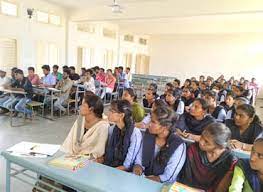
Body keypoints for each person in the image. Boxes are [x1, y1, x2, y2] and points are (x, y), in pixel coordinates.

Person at [132, 106, 186, 184]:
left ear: (165, 127)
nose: (149, 124)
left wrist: (146, 180)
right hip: (144, 179)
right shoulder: (148, 135)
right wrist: (138, 168)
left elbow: (169, 177)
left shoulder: (178, 145)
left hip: (162, 185)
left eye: (153, 122)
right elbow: (139, 159)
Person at [179, 123, 238, 191]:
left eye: (207, 142)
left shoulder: (230, 160)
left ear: (219, 146)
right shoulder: (193, 149)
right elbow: (186, 178)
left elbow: (221, 189)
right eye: (201, 137)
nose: (201, 142)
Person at [100, 100, 142, 171]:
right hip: (110, 166)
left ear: (122, 115)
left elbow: (127, 165)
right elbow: (107, 153)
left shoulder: (135, 133)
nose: (108, 113)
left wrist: (108, 171)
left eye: (112, 111)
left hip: (123, 173)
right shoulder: (112, 129)